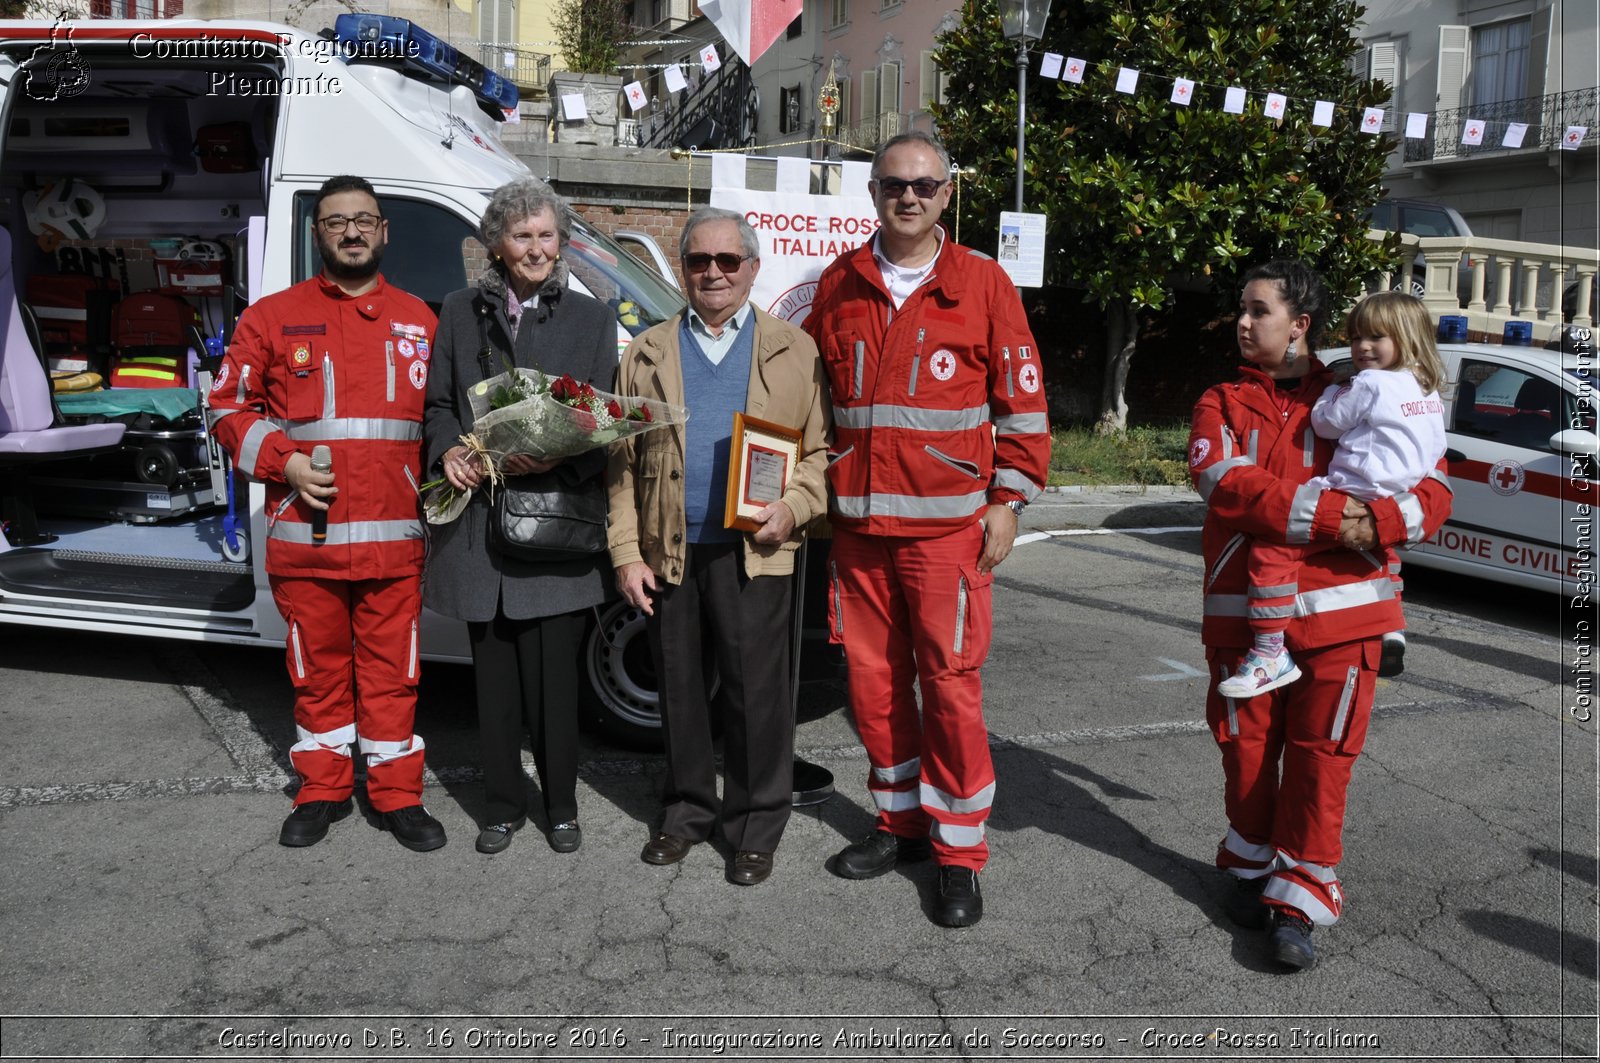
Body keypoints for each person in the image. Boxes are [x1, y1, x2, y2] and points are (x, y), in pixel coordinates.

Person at [803, 131, 1051, 928]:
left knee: (949, 693)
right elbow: (809, 401)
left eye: (922, 185)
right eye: (891, 185)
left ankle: (958, 853)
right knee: (873, 690)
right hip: (859, 533)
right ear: (872, 194)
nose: (906, 197)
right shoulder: (839, 283)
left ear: (948, 194)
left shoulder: (983, 284)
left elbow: (1023, 406)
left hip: (948, 535)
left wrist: (1008, 498)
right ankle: (899, 822)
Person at [1188, 260, 1452, 970]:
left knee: (1320, 763)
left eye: (1257, 310)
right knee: (1245, 754)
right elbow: (1226, 484)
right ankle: (1248, 867)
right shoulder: (1219, 400)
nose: (1242, 323)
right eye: (1240, 309)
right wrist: (1344, 516)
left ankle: (1298, 898)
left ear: (1300, 325)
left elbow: (1435, 485)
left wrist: (1391, 519)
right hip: (1245, 617)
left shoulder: (1363, 388)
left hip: (1348, 617)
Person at [210, 175, 445, 851]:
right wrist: (283, 461)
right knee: (317, 674)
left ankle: (398, 795)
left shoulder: (418, 321)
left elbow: (442, 420)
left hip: (394, 544)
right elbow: (227, 406)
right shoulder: (272, 317)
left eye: (363, 220)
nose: (350, 231)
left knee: (393, 676)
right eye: (336, 221)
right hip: (304, 544)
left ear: (383, 231)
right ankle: (322, 789)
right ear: (317, 233)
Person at [607, 206, 829, 886]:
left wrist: (792, 509)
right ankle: (685, 812)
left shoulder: (796, 349)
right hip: (669, 548)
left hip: (756, 551)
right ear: (682, 269)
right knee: (677, 691)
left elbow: (820, 455)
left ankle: (755, 825)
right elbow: (617, 461)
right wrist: (624, 551)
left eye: (728, 261)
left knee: (755, 696)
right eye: (699, 260)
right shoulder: (644, 352)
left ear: (752, 270)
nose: (713, 273)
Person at [423, 178, 618, 856]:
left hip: (553, 524)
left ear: (561, 241)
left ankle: (561, 806)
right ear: (498, 246)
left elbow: (604, 425)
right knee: (495, 686)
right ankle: (503, 805)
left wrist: (555, 459)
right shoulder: (456, 311)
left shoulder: (595, 319)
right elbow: (440, 405)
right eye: (522, 236)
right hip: (480, 531)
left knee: (555, 689)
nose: (536, 248)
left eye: (546, 235)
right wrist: (448, 449)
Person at [1217, 291, 1447, 698]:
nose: (1362, 347)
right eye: (1357, 337)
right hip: (1395, 492)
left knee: (1272, 555)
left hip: (1350, 488)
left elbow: (1325, 423)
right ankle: (1392, 623)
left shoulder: (1368, 383)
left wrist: (1330, 393)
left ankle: (1269, 651)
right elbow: (1438, 465)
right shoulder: (1425, 388)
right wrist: (1390, 514)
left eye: (1376, 337)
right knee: (1387, 557)